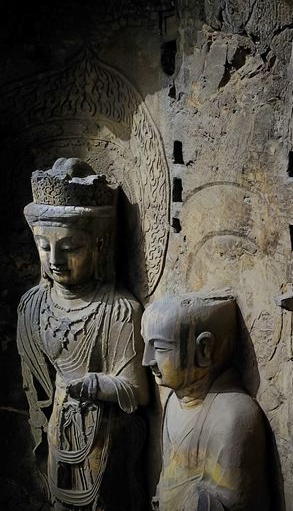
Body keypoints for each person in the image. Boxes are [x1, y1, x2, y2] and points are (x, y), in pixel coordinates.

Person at [17, 158, 149, 510]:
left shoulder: (118, 310)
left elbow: (137, 391)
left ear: (99, 245)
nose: (55, 259)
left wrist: (92, 385)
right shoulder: (33, 305)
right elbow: (36, 387)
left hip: (103, 439)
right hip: (57, 430)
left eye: (70, 247)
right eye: (44, 246)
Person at [142, 291, 269, 511]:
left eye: (160, 348)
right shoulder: (173, 401)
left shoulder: (233, 415)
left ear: (203, 349)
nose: (147, 361)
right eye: (146, 346)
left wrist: (190, 500)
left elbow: (238, 503)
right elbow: (168, 477)